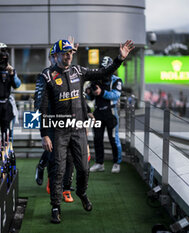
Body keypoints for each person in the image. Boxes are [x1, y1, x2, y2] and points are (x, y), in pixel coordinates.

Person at [39, 39, 134, 223]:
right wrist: (44, 134)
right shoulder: (47, 76)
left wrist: (119, 59)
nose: (69, 55)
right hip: (58, 132)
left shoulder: (78, 71)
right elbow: (42, 108)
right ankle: (55, 207)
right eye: (65, 53)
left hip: (78, 129)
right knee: (58, 170)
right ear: (56, 55)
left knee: (83, 168)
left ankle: (81, 193)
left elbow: (103, 72)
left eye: (71, 52)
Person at [34, 47, 75, 203]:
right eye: (52, 56)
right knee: (53, 153)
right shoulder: (45, 74)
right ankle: (43, 168)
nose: (53, 59)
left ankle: (65, 188)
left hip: (68, 122)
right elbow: (38, 99)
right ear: (52, 58)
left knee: (67, 156)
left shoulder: (67, 71)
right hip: (51, 120)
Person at [87, 56, 123, 173]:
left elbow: (116, 95)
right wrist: (89, 92)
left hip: (111, 113)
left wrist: (101, 92)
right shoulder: (96, 79)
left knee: (113, 138)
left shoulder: (117, 80)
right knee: (97, 138)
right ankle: (99, 163)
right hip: (97, 113)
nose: (105, 71)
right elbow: (90, 97)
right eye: (103, 68)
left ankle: (117, 163)